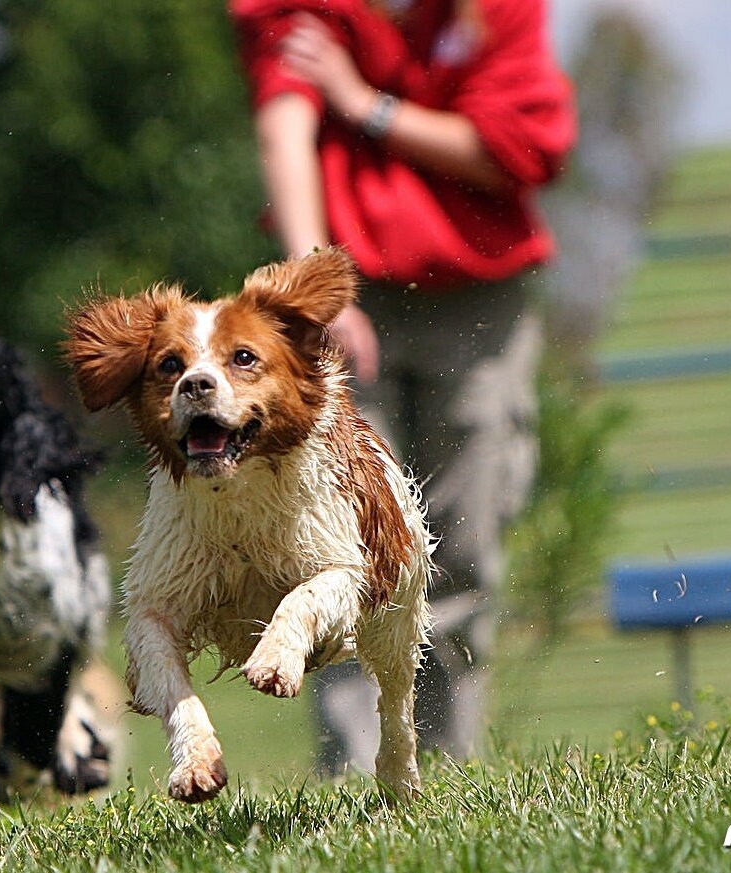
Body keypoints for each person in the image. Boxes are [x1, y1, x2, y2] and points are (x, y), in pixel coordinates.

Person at [228, 0, 576, 771]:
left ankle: (443, 767)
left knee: (463, 539)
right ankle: (357, 773)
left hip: (479, 303)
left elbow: (514, 153)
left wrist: (364, 105)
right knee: (345, 541)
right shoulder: (300, 9)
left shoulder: (498, 10)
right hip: (350, 303)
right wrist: (314, 289)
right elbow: (283, 128)